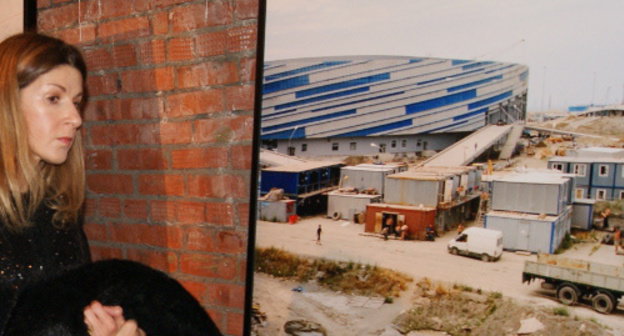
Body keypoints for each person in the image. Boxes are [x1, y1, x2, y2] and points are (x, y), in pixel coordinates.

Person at [0, 32, 141, 336]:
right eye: (54, 98)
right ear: (7, 102)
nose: (75, 118)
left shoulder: (60, 209)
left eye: (77, 102)